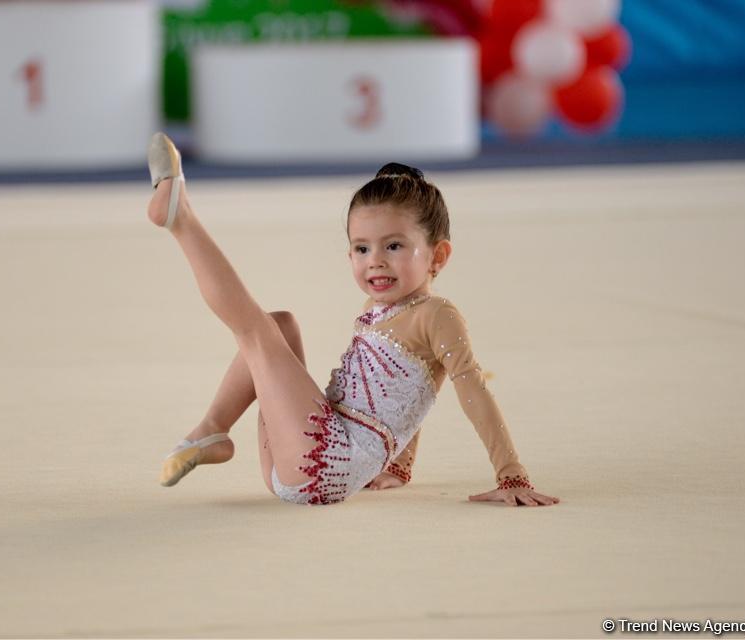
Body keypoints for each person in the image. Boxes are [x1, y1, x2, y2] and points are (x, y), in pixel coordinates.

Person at [147, 132, 559, 507]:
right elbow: (410, 392)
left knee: (254, 329)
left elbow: (473, 393)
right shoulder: (376, 310)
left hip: (325, 464)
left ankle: (182, 220)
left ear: (437, 256)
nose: (375, 261)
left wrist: (511, 475)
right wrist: (399, 465)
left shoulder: (438, 315)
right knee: (281, 324)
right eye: (361, 249)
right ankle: (214, 428)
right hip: (296, 455)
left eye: (393, 245)